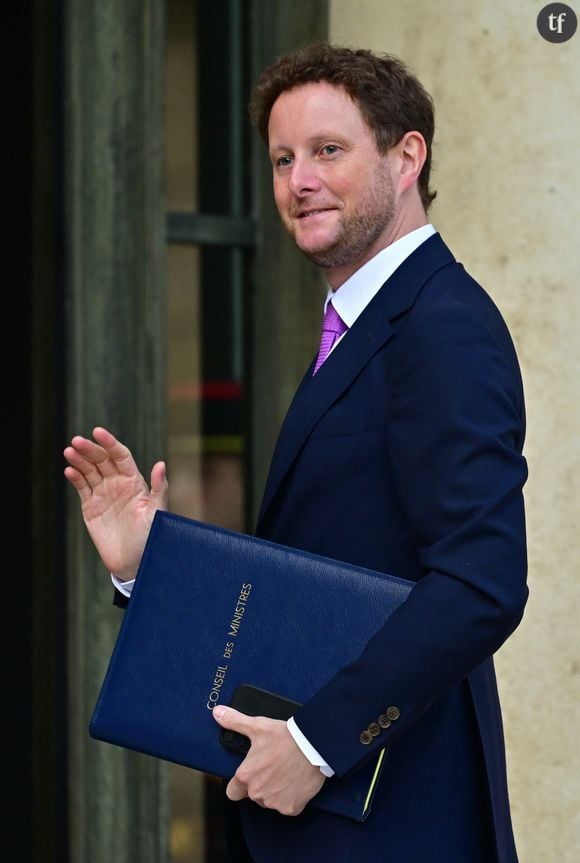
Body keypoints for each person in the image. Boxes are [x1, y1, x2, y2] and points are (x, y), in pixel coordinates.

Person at [64, 43, 528, 863]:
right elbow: (310, 588)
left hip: (397, 819)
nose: (298, 181)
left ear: (406, 155)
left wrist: (316, 743)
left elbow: (480, 584)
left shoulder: (443, 326)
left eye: (327, 151)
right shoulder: (357, 329)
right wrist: (151, 569)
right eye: (282, 159)